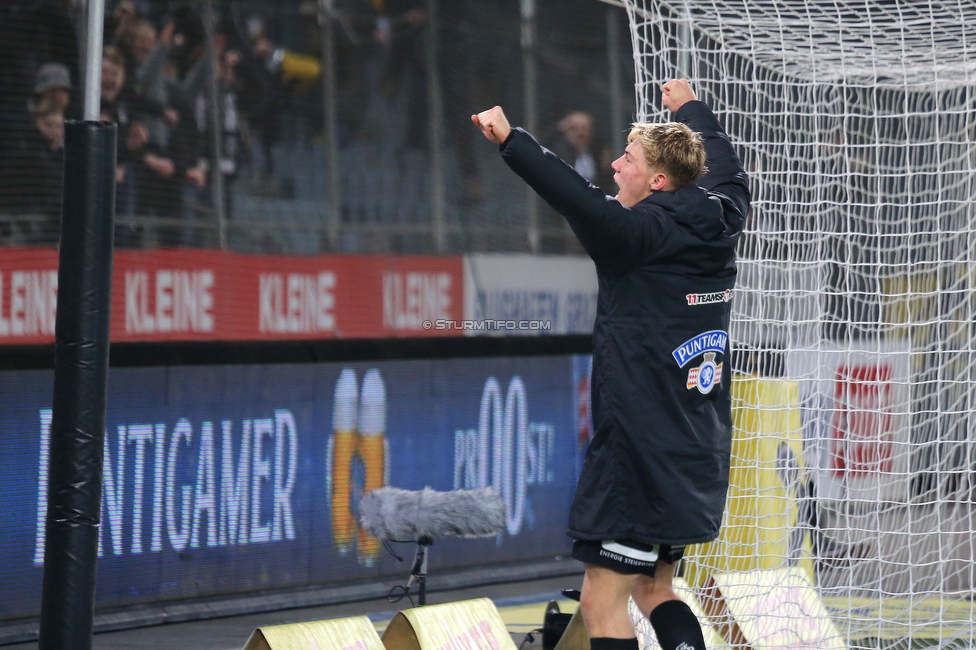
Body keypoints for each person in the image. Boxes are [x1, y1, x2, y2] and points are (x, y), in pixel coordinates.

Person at [472, 79, 749, 650]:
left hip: (637, 454)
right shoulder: (723, 218)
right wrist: (692, 110)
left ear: (659, 181)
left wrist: (511, 140)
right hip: (696, 447)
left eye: (628, 159)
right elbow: (724, 163)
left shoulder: (635, 235)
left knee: (601, 601)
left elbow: (572, 193)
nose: (615, 165)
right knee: (655, 590)